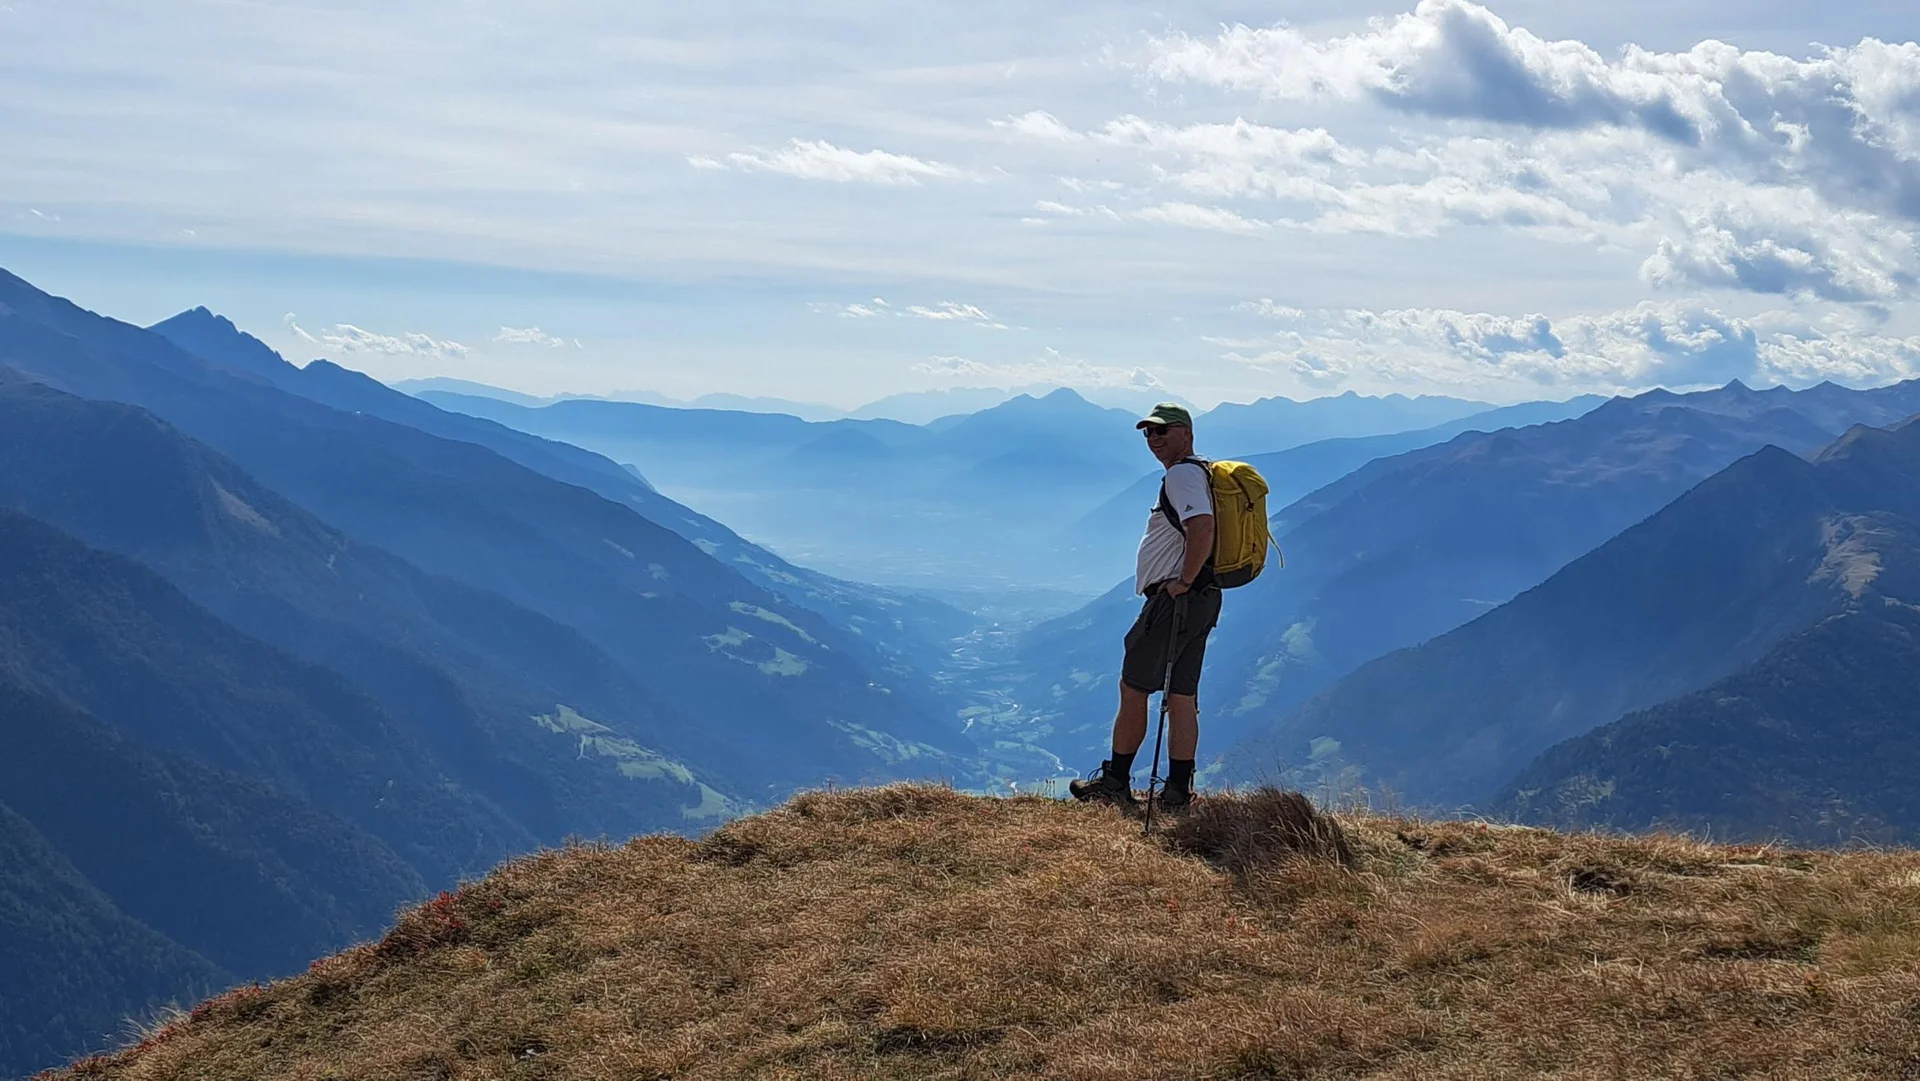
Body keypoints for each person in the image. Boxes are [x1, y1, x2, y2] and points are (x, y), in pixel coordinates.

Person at [1070, 402, 1222, 812]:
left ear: (1186, 433)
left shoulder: (1182, 475)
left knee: (1134, 687)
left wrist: (1183, 580)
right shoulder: (1201, 473)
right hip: (1201, 599)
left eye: (1163, 431)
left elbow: (1201, 527)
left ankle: (1116, 781)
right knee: (1182, 696)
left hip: (1176, 601)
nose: (1154, 439)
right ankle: (1176, 790)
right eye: (1148, 433)